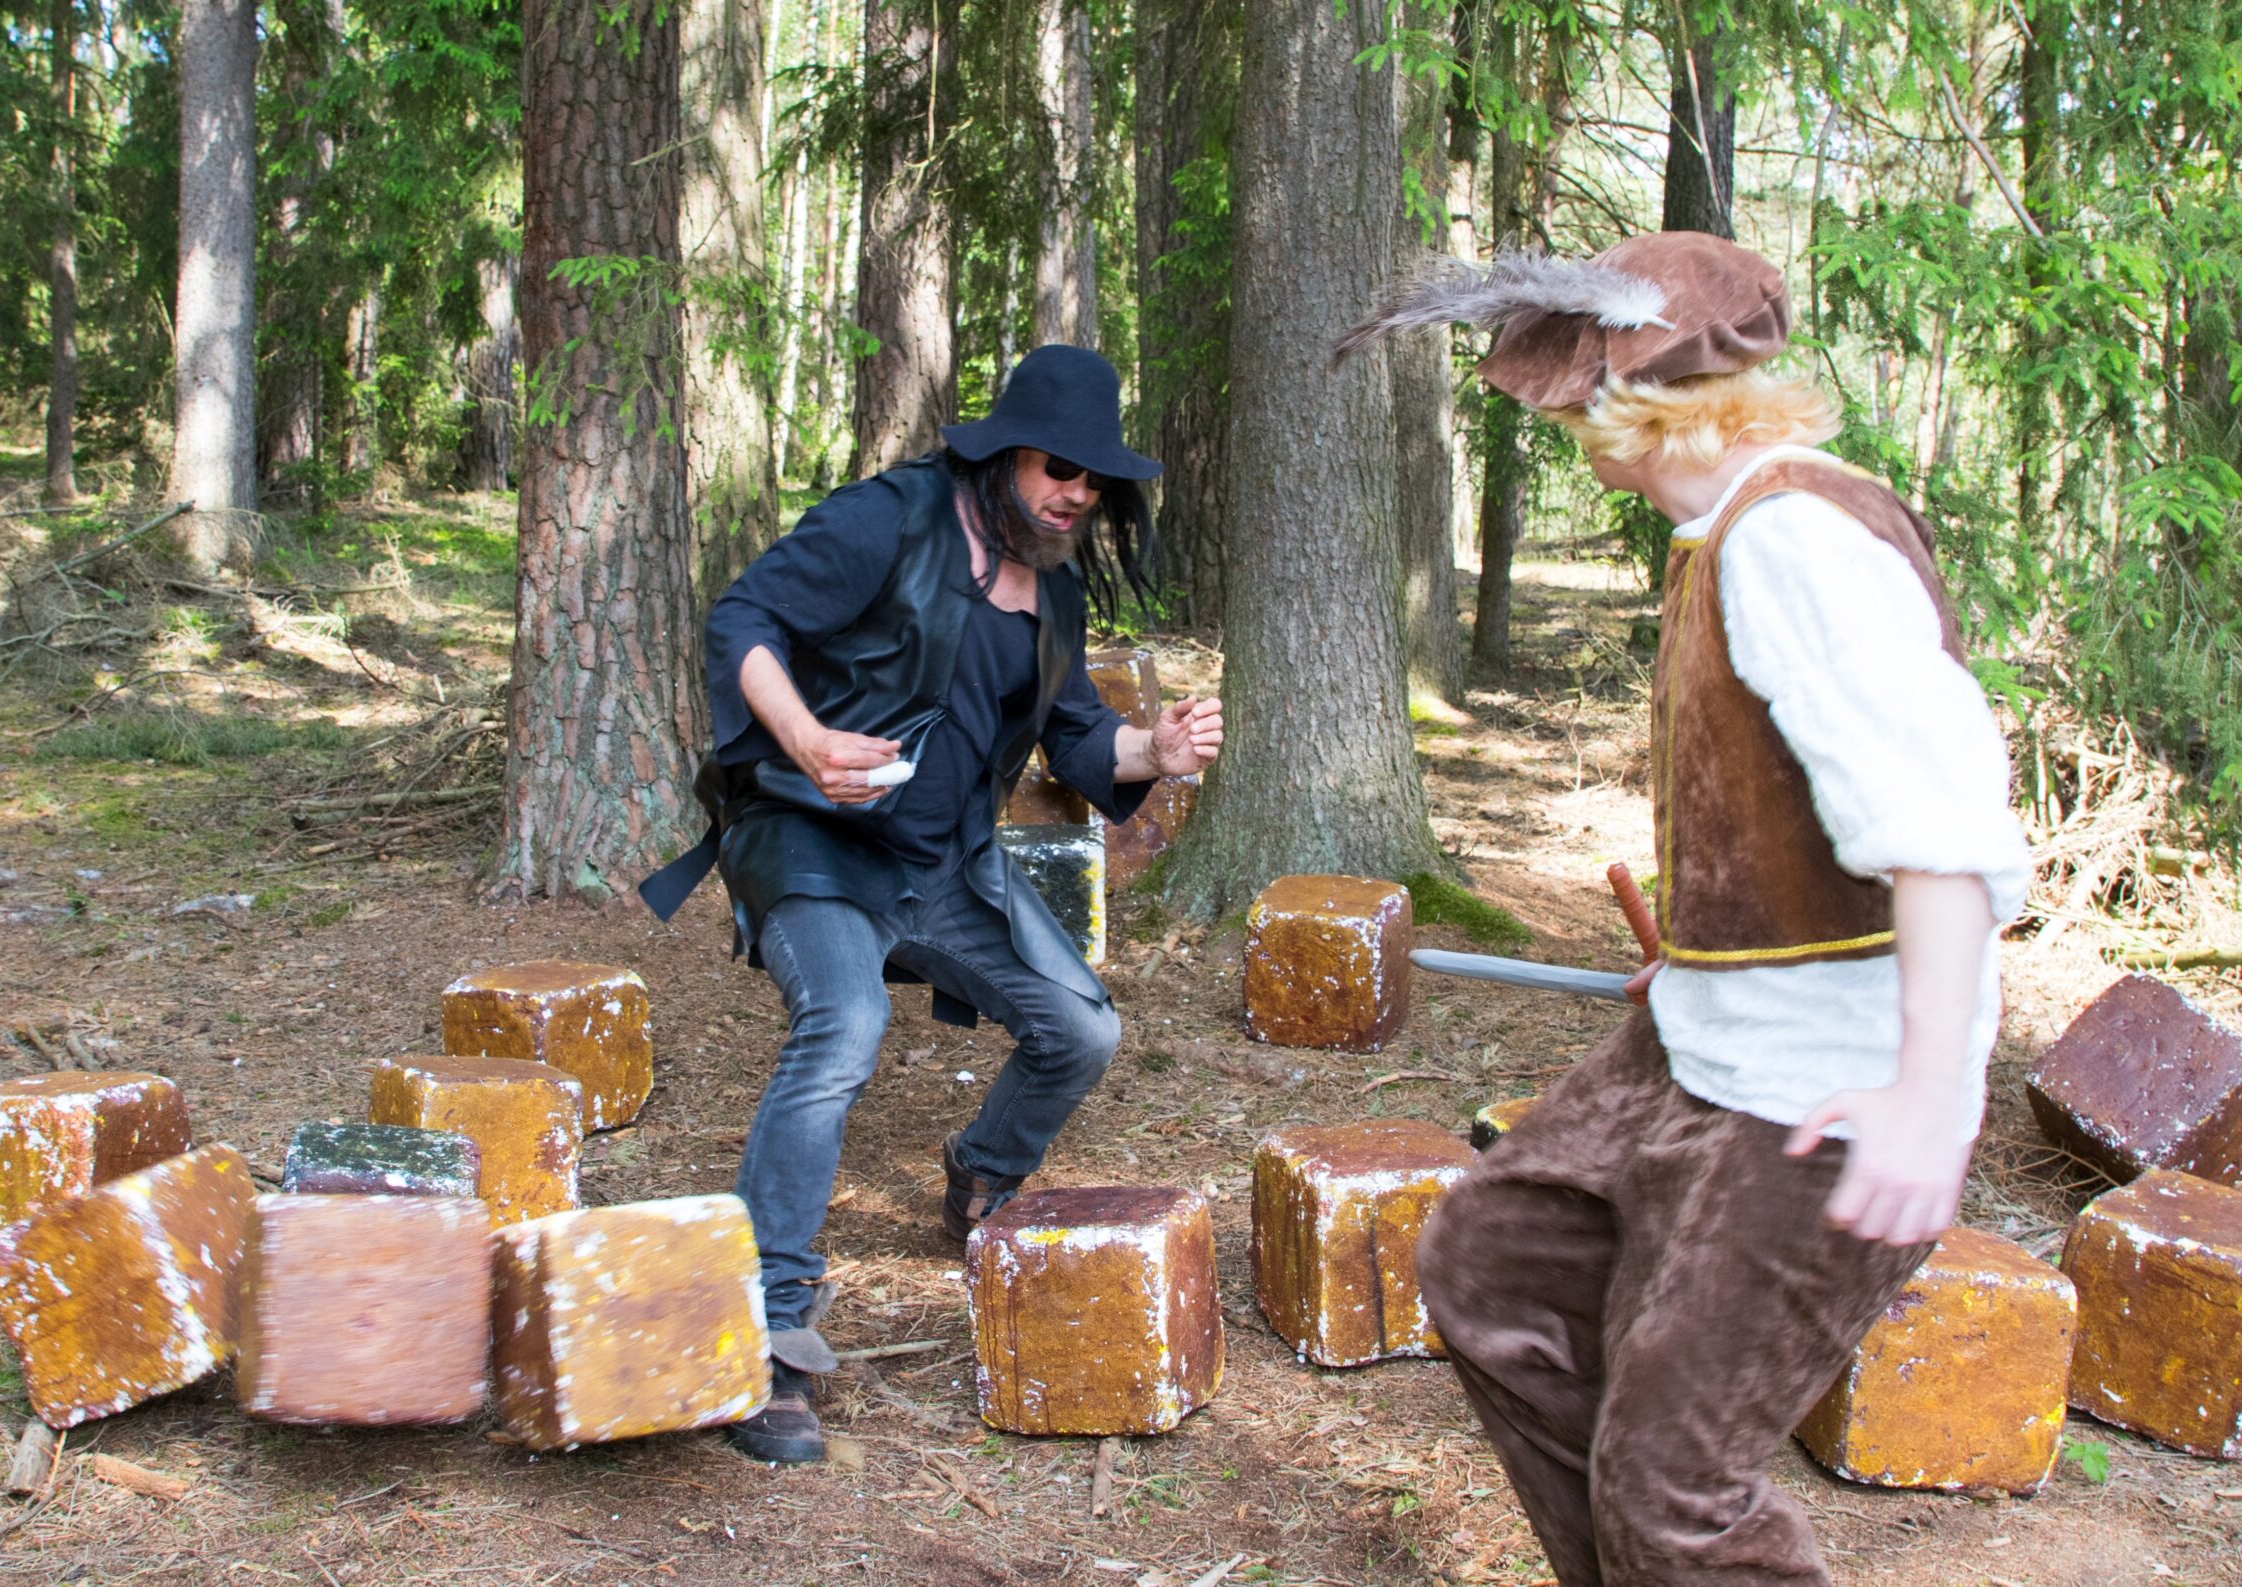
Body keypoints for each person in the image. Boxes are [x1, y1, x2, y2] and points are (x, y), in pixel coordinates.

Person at [1344, 234, 2030, 1584]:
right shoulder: (1728, 531)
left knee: (1675, 1494)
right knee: (1494, 1268)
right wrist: (1708, 961)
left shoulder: (1797, 541)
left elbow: (1947, 832)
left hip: (1817, 1093)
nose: (1560, 424)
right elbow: (1777, 820)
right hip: (1704, 1045)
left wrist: (1923, 1098)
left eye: (1570, 397)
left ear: (1629, 395)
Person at [638, 344, 1224, 1465]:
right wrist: (806, 741)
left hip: (947, 865)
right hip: (814, 840)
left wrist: (1156, 750)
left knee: (1082, 1030)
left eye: (1094, 480)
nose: (1075, 493)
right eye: (1057, 467)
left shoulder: (1055, 586)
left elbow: (1076, 740)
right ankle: (766, 1328)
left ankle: (982, 1173)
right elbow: (742, 619)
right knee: (842, 1026)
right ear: (1005, 454)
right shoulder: (892, 520)